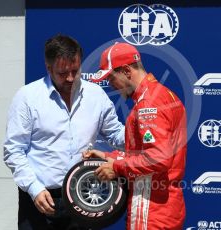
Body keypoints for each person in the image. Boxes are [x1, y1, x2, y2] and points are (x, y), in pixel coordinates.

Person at [3, 34, 125, 230]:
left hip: (84, 195)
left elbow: (116, 135)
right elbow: (13, 151)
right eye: (62, 73)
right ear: (48, 68)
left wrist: (144, 128)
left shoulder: (96, 95)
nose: (70, 78)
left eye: (75, 71)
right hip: (40, 198)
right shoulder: (27, 97)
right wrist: (34, 189)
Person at [85, 42, 187, 230]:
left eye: (111, 78)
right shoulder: (162, 95)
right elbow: (145, 152)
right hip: (162, 208)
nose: (111, 86)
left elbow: (159, 158)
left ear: (126, 71)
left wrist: (116, 166)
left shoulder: (150, 103)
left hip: (151, 210)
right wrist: (109, 157)